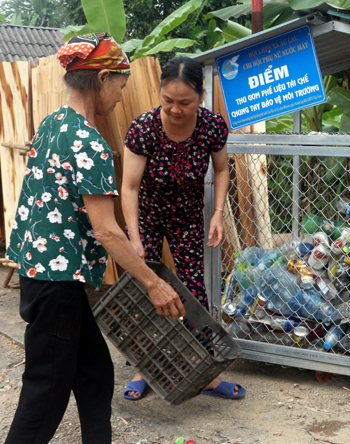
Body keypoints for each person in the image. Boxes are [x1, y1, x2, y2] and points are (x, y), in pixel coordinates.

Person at [3, 33, 184, 444]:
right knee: (45, 392)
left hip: (43, 273)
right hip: (57, 284)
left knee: (95, 374)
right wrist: (153, 282)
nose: (120, 96)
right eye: (120, 86)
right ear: (103, 78)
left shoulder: (52, 124)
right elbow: (105, 229)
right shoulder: (89, 142)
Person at [121, 56, 244, 400]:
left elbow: (221, 170)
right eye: (168, 101)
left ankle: (201, 367)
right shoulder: (144, 128)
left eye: (185, 102)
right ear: (160, 95)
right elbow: (129, 187)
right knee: (147, 286)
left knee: (194, 290)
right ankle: (143, 366)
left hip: (188, 216)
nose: (175, 109)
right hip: (146, 215)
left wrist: (217, 213)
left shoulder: (211, 126)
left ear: (201, 96)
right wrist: (133, 235)